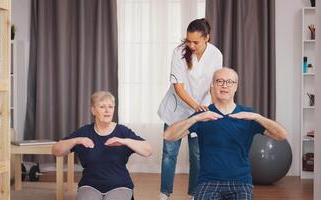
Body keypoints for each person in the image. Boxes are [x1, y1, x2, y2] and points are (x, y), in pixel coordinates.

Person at [164, 68, 287, 200]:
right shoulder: (203, 114)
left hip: (241, 183)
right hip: (208, 182)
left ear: (236, 87)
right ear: (212, 85)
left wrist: (257, 117)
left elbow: (281, 135)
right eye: (220, 81)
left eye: (229, 82)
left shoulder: (247, 114)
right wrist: (195, 118)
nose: (224, 85)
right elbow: (168, 135)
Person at [157, 18, 223, 199]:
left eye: (196, 41)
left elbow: (214, 85)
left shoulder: (216, 55)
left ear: (207, 38)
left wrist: (208, 109)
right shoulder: (178, 52)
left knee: (198, 155)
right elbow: (179, 88)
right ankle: (164, 194)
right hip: (177, 111)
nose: (191, 45)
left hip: (202, 109)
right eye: (188, 41)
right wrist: (196, 107)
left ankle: (194, 194)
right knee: (169, 154)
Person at [52, 91, 153, 200]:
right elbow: (56, 150)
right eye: (102, 107)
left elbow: (148, 150)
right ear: (93, 110)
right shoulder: (84, 132)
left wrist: (125, 141)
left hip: (120, 185)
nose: (107, 111)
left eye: (110, 107)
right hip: (90, 185)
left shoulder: (122, 131)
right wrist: (76, 140)